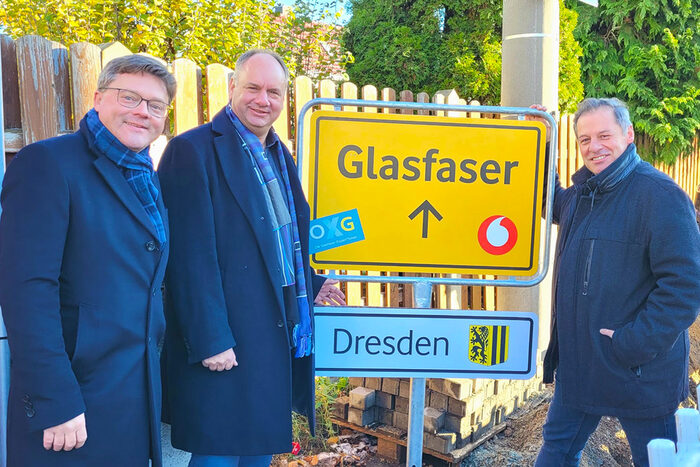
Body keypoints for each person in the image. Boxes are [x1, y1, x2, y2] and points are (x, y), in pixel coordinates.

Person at [158, 49, 345, 467]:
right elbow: (188, 258)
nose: (264, 100)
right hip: (225, 335)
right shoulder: (192, 151)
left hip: (272, 329)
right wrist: (211, 339)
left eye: (274, 92)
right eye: (254, 88)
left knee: (260, 448)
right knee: (219, 452)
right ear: (232, 89)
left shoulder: (278, 152)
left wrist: (312, 283)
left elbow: (283, 235)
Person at [0, 55, 175, 466]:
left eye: (155, 105)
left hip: (132, 392)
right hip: (72, 399)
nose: (142, 112)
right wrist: (54, 398)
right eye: (129, 97)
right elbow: (26, 289)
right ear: (98, 98)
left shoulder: (144, 175)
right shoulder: (48, 163)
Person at [529, 98, 700, 467]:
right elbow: (548, 199)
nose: (594, 147)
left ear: (628, 134)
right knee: (556, 452)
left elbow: (685, 288)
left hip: (640, 372)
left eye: (604, 135)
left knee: (656, 460)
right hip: (580, 368)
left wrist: (630, 343)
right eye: (585, 139)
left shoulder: (662, 197)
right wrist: (541, 138)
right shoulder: (582, 196)